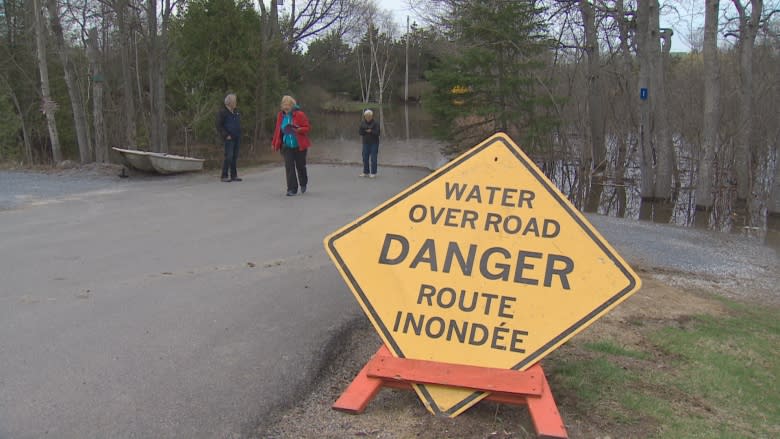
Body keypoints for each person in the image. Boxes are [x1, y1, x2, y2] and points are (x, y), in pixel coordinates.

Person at [272, 95, 311, 196]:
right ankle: (292, 189)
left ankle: (303, 183)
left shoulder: (300, 114)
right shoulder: (280, 116)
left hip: (299, 145)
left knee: (300, 166)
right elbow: (277, 130)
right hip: (286, 146)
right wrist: (274, 143)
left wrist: (298, 129)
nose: (286, 107)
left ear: (292, 105)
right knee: (289, 167)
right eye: (284, 104)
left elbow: (307, 127)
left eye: (288, 104)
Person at [215, 93, 242, 182]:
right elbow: (219, 125)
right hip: (229, 138)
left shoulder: (236, 111)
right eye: (234, 101)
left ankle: (234, 175)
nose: (235, 103)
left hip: (237, 136)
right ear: (229, 102)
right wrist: (226, 135)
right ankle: (224, 175)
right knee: (229, 156)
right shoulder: (222, 112)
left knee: (235, 156)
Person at [358, 109, 381, 178]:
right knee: (365, 158)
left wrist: (371, 131)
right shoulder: (362, 123)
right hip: (365, 143)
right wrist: (366, 131)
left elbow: (378, 133)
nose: (368, 117)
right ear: (364, 116)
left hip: (374, 143)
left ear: (371, 116)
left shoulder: (376, 123)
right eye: (366, 116)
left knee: (373, 158)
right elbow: (360, 132)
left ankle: (373, 173)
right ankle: (366, 172)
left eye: (369, 116)